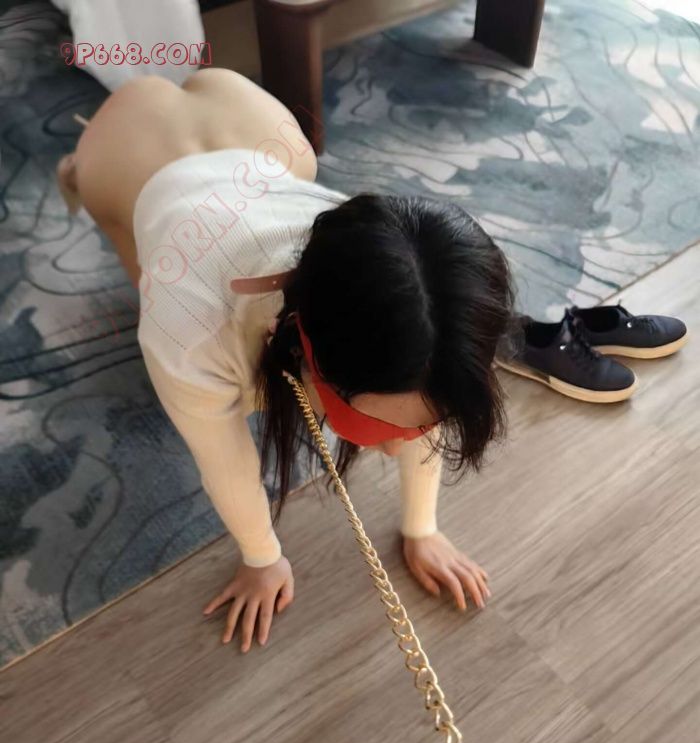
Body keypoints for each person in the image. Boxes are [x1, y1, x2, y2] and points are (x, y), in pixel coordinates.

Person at [57, 68, 514, 653]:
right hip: (127, 152)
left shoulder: (397, 280)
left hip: (251, 124)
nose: (398, 449)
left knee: (297, 162)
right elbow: (223, 461)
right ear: (313, 357)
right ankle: (77, 168)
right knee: (149, 274)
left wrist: (422, 529)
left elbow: (424, 397)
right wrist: (261, 558)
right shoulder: (187, 329)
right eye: (378, 427)